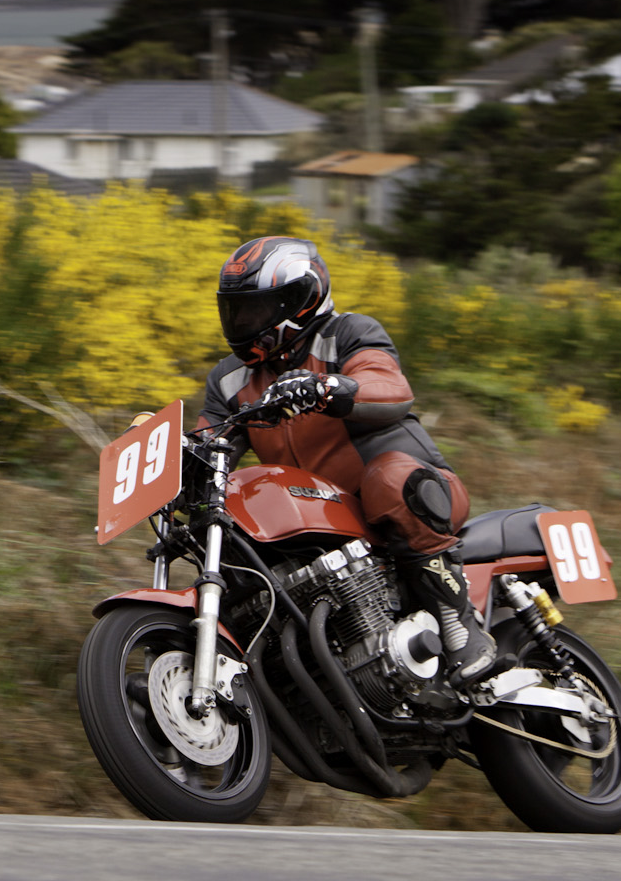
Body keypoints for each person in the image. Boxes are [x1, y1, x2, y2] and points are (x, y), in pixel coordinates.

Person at [198, 236, 501, 687]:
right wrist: (179, 457)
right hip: (323, 518)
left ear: (300, 300)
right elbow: (210, 439)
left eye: (258, 310)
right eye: (237, 310)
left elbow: (390, 387)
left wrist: (328, 389)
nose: (244, 323)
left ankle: (459, 623)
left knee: (389, 480)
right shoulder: (230, 379)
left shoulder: (348, 334)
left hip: (415, 495)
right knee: (233, 522)